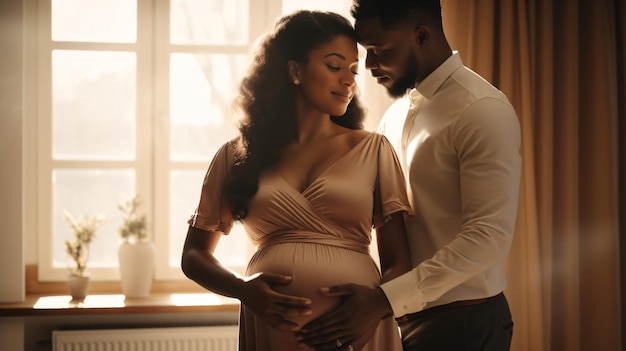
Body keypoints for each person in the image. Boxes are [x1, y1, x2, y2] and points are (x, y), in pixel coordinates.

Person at [296, 1, 522, 350]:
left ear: (421, 35)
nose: (368, 66)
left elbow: (488, 237)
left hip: (464, 325)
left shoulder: (481, 110)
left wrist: (386, 299)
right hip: (403, 322)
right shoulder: (395, 115)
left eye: (379, 50)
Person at [181, 10, 412, 351]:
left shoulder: (373, 149)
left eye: (352, 70)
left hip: (356, 332)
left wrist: (376, 306)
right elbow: (193, 255)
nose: (349, 80)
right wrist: (243, 289)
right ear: (294, 70)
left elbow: (399, 261)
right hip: (273, 329)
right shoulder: (237, 156)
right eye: (334, 66)